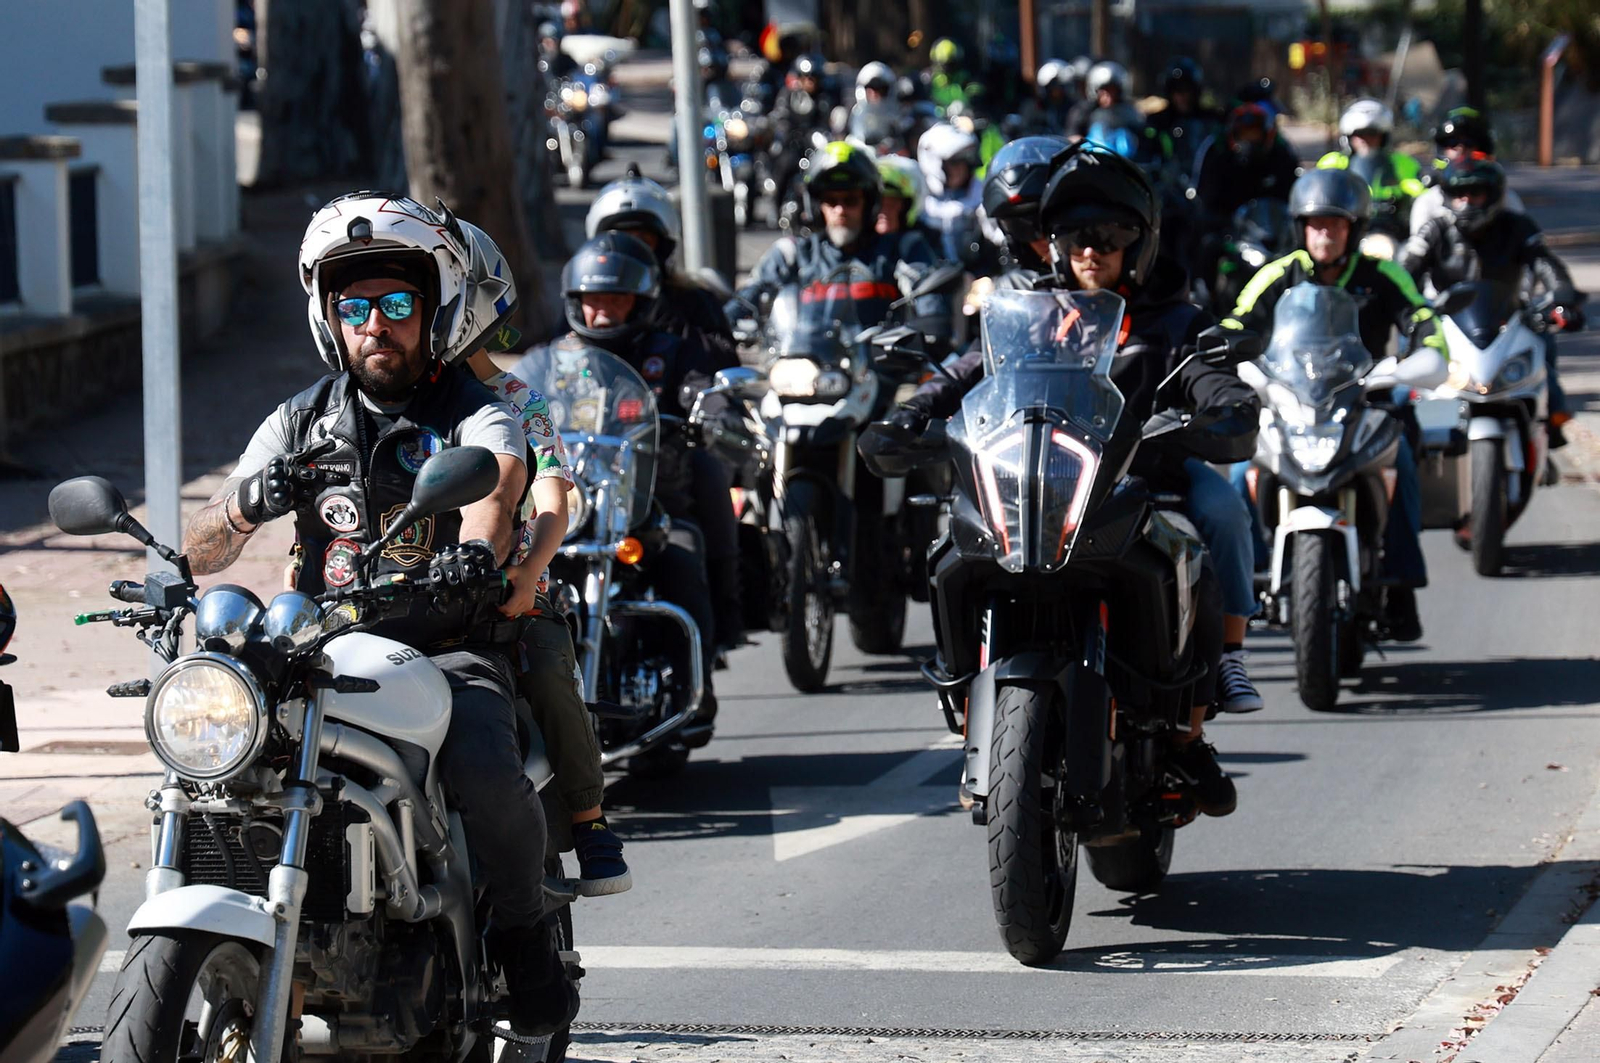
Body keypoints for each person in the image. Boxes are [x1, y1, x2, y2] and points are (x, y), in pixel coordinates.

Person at [182, 192, 577, 1036]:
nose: (376, 324)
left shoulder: (473, 408)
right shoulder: (298, 418)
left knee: (480, 756)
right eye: (354, 307)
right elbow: (201, 547)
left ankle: (523, 928)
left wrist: (477, 554)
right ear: (330, 319)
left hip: (446, 645)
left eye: (397, 304)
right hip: (318, 649)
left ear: (431, 314)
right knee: (218, 766)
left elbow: (501, 482)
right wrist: (249, 501)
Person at [890, 144, 1266, 812]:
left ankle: (1201, 708)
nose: (1091, 251)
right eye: (1074, 236)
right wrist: (913, 411)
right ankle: (963, 683)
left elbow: (1212, 375)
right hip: (1042, 482)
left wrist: (1225, 404)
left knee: (1221, 515)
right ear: (1052, 243)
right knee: (952, 541)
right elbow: (968, 369)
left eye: (1110, 236)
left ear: (1139, 244)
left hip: (1148, 477)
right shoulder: (1029, 311)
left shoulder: (1173, 319)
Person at [453, 220, 630, 896]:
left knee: (551, 669)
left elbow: (555, 494)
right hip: (402, 601)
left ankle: (590, 819)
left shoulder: (514, 398)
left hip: (507, 594)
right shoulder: (375, 405)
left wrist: (527, 576)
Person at [516, 233, 729, 731]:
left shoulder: (670, 353)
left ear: (641, 301)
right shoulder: (556, 360)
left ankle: (695, 690)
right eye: (594, 300)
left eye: (617, 299)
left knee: (681, 553)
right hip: (576, 504)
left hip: (652, 499)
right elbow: (520, 397)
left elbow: (704, 389)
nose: (604, 311)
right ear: (576, 303)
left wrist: (710, 409)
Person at [1224, 169, 1445, 640]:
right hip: (1292, 402)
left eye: (1336, 225)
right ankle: (1246, 582)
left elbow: (1423, 319)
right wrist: (1234, 358)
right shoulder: (1277, 274)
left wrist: (1422, 356)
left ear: (1355, 229)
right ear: (1300, 228)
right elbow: (1238, 322)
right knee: (1242, 469)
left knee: (1403, 461)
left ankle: (1401, 583)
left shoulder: (1382, 275)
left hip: (1369, 401)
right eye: (1316, 224)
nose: (1325, 234)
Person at [1399, 157, 1585, 446]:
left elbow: (1546, 264)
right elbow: (1405, 269)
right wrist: (1401, 305)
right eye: (1460, 195)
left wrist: (1563, 300)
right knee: (1404, 367)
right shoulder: (1435, 229)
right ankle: (1408, 435)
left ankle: (1552, 424)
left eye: (1476, 194)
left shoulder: (1518, 226)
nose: (1467, 202)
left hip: (1507, 320)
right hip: (1447, 323)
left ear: (1494, 196)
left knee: (1543, 350)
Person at [734, 140, 950, 334]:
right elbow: (742, 304)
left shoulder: (902, 250)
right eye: (830, 201)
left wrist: (930, 326)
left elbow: (931, 309)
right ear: (818, 207)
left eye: (851, 200)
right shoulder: (793, 254)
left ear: (869, 204)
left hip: (885, 372)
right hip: (805, 368)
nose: (840, 210)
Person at [585, 174, 737, 370]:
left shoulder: (693, 300)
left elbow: (725, 363)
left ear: (662, 246)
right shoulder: (585, 302)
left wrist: (672, 324)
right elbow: (552, 362)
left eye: (643, 241)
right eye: (622, 242)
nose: (633, 252)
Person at [1409, 107, 1526, 237]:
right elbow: (1417, 248)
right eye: (1453, 143)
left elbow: (1523, 241)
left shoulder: (1505, 198)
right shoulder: (1429, 201)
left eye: (1469, 143)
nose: (1461, 149)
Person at [1316, 99, 1425, 236]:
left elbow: (1418, 188)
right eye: (1359, 134)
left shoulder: (1401, 162)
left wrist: (1416, 188)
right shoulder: (1333, 162)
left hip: (1392, 228)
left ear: (1383, 137)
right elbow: (1319, 192)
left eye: (1372, 134)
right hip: (1347, 227)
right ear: (1348, 137)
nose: (1365, 140)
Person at [917, 121, 986, 264]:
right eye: (954, 162)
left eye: (964, 162)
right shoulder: (919, 202)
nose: (961, 169)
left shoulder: (981, 193)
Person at [1147, 57, 1222, 176]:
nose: (1182, 96)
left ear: (1196, 91)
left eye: (1187, 90)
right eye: (1177, 90)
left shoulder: (1211, 120)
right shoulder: (1157, 122)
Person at [1066, 61, 1131, 140]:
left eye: (1113, 91)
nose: (1108, 97)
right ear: (1095, 91)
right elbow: (1072, 136)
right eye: (1104, 91)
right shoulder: (1082, 112)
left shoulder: (1128, 112)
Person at [1019, 59, 1078, 137]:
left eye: (1062, 86)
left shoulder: (1072, 109)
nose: (1059, 90)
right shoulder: (1033, 109)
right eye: (1055, 86)